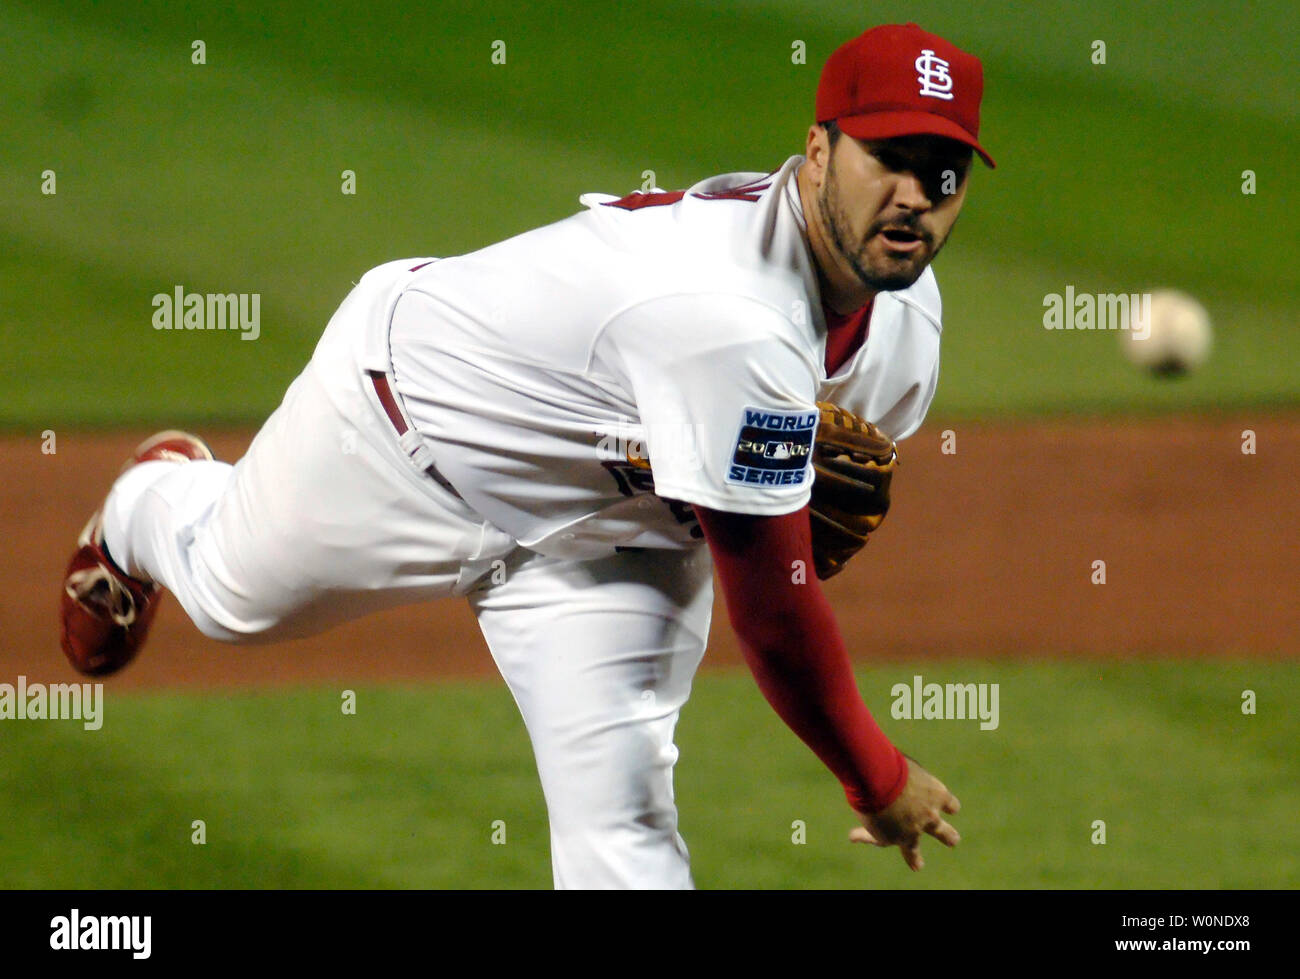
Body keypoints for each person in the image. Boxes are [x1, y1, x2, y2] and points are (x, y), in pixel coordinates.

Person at [60, 22, 994, 888]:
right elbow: (776, 606)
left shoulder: (907, 319)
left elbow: (789, 519)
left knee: (623, 826)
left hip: (611, 538)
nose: (915, 196)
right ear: (821, 151)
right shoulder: (732, 315)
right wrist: (876, 774)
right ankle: (155, 500)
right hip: (401, 436)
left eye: (943, 172)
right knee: (228, 596)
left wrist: (757, 491)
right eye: (891, 160)